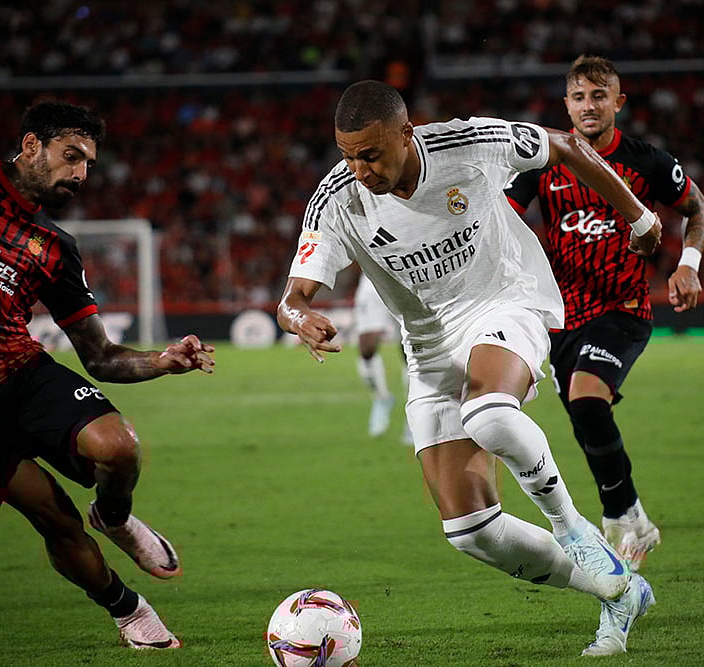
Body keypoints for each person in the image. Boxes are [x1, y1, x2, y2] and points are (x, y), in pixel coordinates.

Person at [278, 80, 663, 657]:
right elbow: (291, 297)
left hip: (506, 299)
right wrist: (301, 317)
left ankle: (572, 527)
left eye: (371, 153)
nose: (359, 168)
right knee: (472, 531)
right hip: (428, 347)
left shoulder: (468, 142)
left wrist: (637, 216)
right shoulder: (339, 198)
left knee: (487, 412)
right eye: (348, 154)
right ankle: (617, 588)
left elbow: (564, 145)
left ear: (406, 134)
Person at [0, 100, 215, 650]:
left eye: (88, 163)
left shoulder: (56, 248)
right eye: (71, 155)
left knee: (120, 447)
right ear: (31, 144)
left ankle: (114, 515)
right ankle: (126, 609)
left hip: (20, 372)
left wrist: (162, 359)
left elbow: (101, 357)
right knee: (54, 517)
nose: (81, 174)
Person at [505, 55, 704, 570]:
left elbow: (697, 208)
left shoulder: (647, 162)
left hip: (623, 310)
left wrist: (689, 263)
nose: (588, 106)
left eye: (599, 96)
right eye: (578, 97)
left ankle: (618, 520)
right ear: (566, 105)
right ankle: (634, 518)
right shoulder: (544, 163)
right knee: (583, 417)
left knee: (588, 400)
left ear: (618, 102)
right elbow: (503, 218)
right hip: (560, 318)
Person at [353, 271, 411, 443]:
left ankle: (413, 415)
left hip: (404, 275)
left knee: (410, 347)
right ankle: (381, 398)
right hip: (372, 278)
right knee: (367, 348)